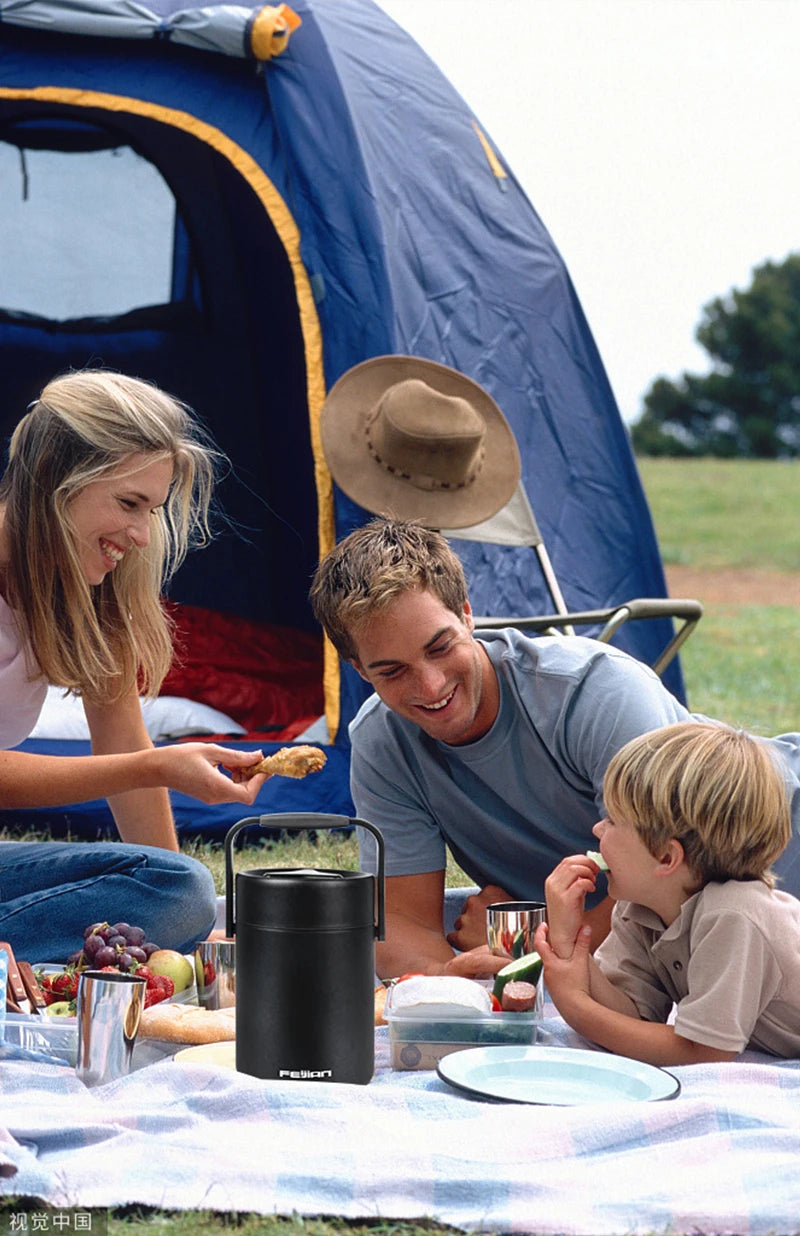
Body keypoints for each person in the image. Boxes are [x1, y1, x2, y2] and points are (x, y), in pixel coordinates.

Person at [0, 369, 271, 961]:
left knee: (178, 890)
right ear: (56, 480)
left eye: (153, 509)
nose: (144, 535)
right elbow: (136, 763)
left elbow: (122, 739)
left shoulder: (89, 592)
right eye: (129, 503)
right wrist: (155, 765)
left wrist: (193, 930)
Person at [535, 722, 800, 1063]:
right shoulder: (641, 907)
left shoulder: (734, 915)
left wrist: (576, 1007)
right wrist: (570, 946)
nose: (597, 828)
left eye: (613, 820)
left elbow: (704, 1052)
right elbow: (635, 1017)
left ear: (666, 857)